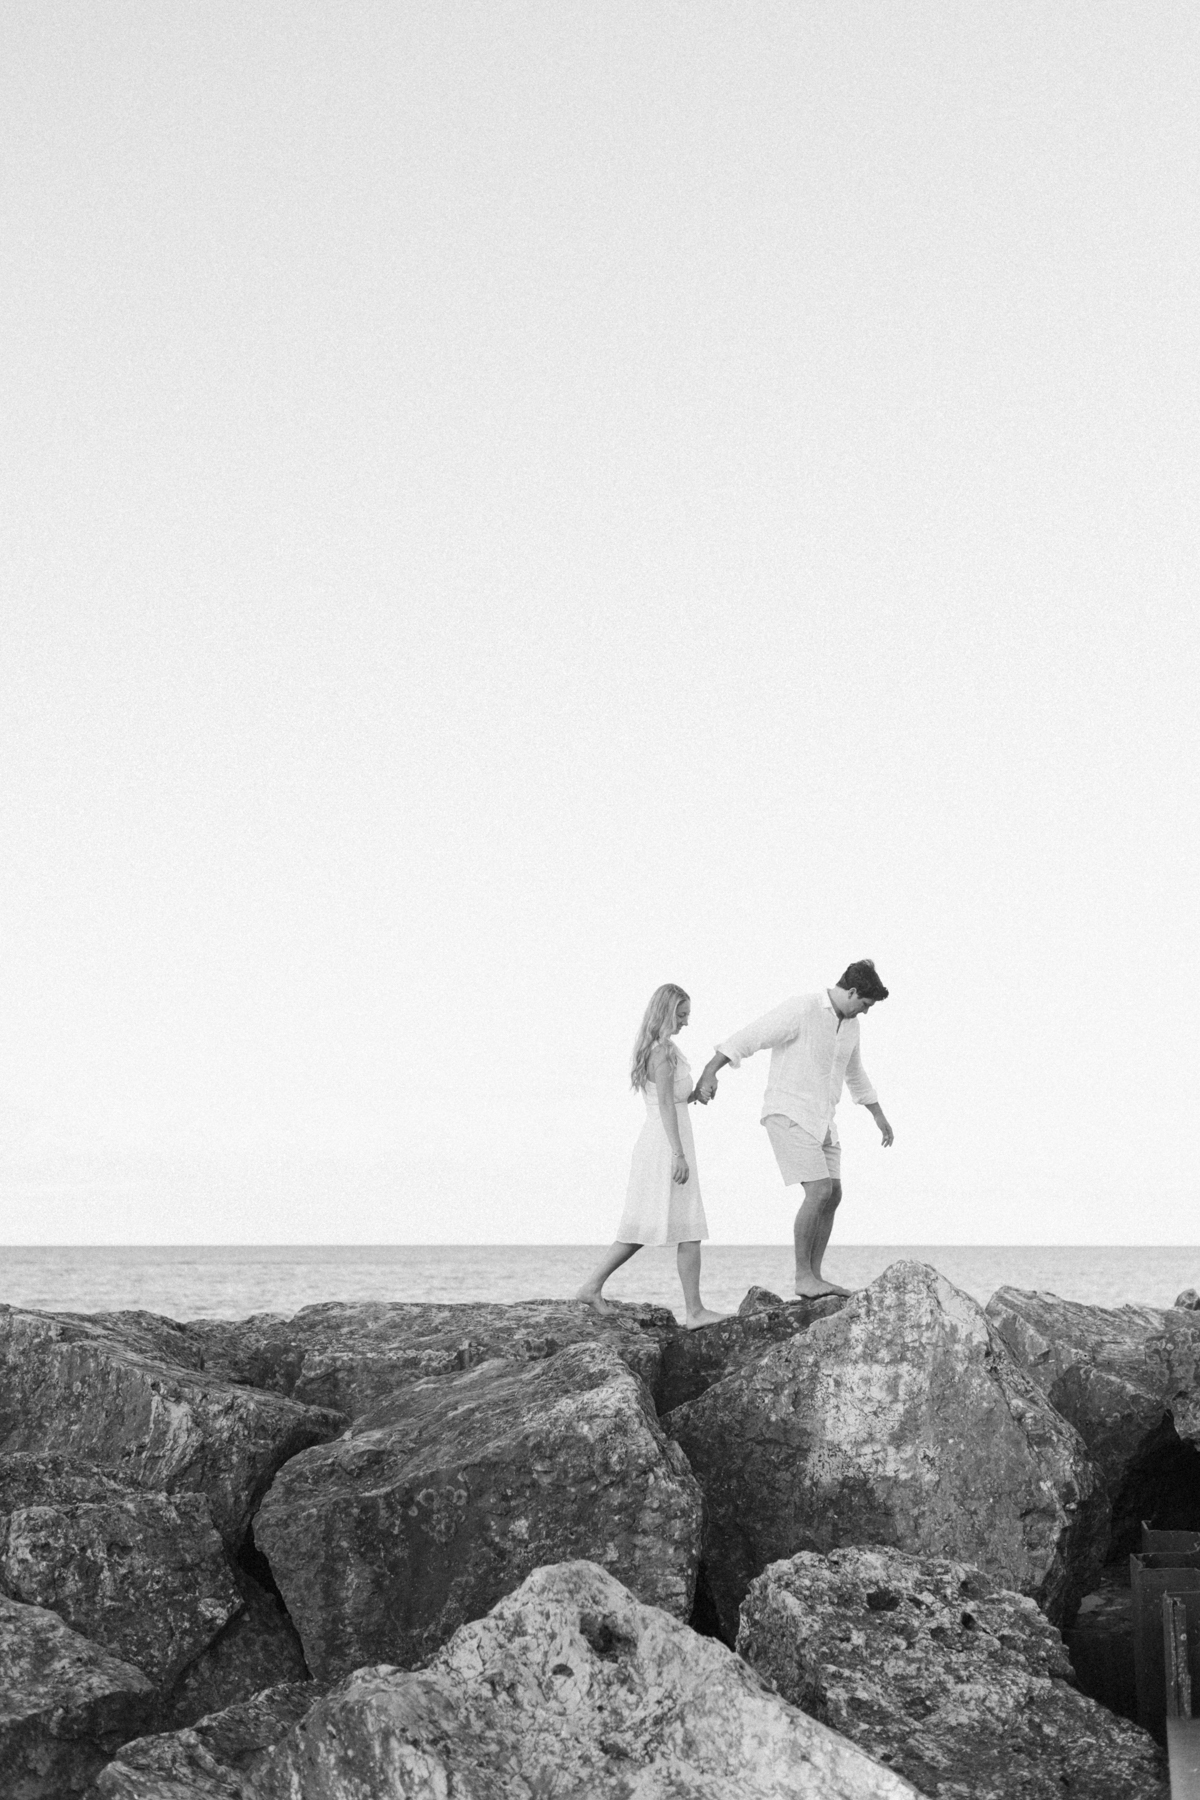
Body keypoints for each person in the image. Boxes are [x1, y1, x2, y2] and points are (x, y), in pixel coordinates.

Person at [691, 960, 893, 1299]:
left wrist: (878, 1115)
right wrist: (711, 1071)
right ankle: (803, 1277)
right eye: (865, 1005)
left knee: (834, 1194)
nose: (866, 1012)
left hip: (823, 1119)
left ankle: (815, 1276)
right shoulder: (802, 1009)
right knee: (818, 1191)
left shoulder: (852, 1027)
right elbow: (750, 1036)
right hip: (789, 1111)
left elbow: (854, 1073)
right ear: (853, 992)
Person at [577, 983, 725, 1330]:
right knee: (684, 1225)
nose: (687, 1022)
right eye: (682, 1015)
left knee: (654, 1225)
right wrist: (679, 1154)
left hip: (664, 1138)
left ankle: (591, 1286)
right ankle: (695, 1312)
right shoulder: (662, 1052)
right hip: (665, 1143)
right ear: (667, 1012)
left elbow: (673, 1100)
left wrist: (697, 1095)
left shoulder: (665, 1049)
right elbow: (663, 1106)